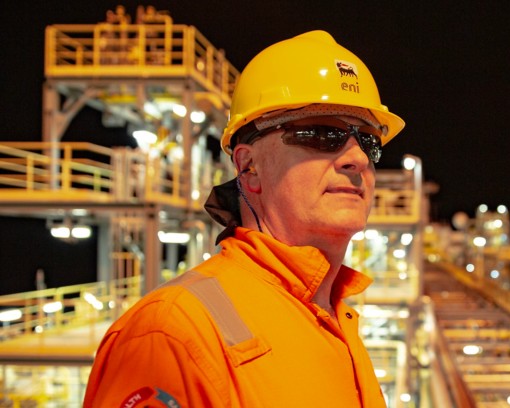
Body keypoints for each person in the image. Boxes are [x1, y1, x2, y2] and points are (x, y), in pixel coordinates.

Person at [84, 30, 405, 407]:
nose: (359, 159)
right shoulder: (171, 332)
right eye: (322, 134)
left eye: (368, 140)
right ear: (248, 166)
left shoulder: (335, 320)